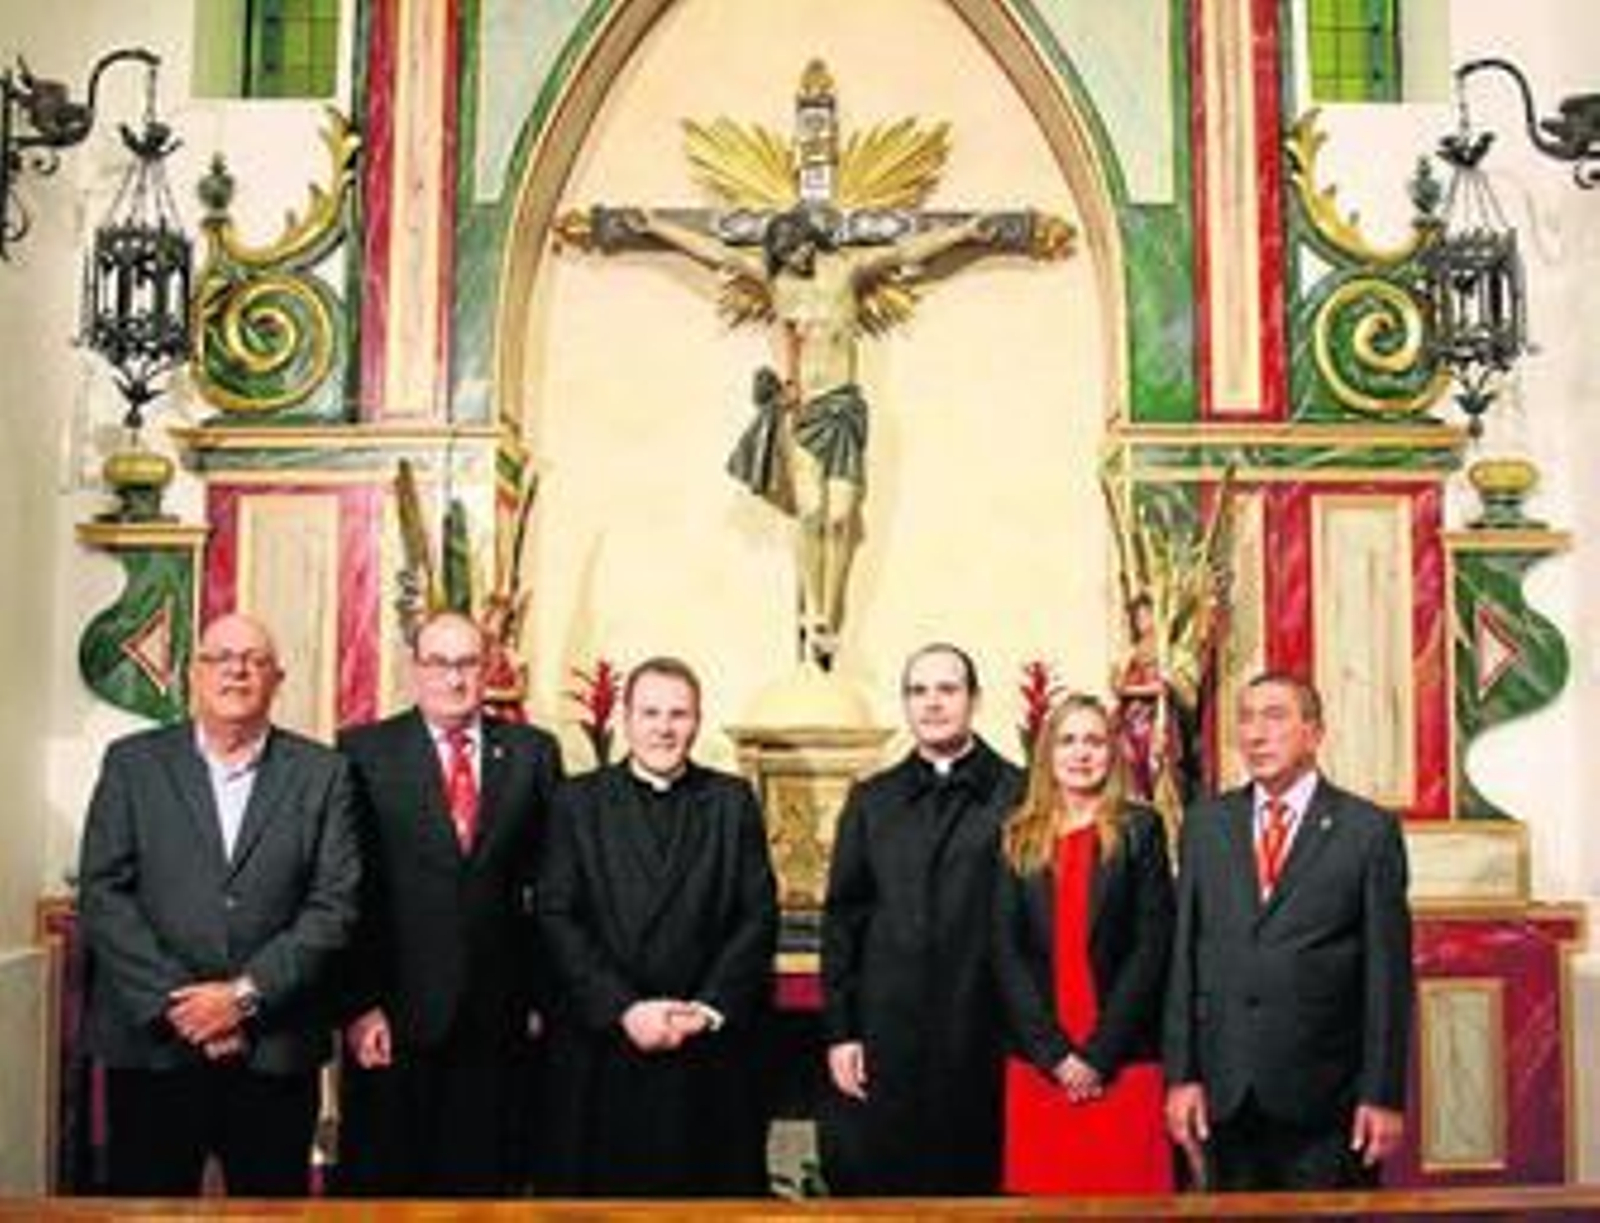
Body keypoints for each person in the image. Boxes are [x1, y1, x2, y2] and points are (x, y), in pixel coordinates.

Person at [632, 207, 999, 669]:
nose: (795, 258)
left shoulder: (846, 271)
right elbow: (717, 253)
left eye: (800, 247)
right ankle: (817, 616)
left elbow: (906, 250)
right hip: (803, 410)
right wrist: (657, 228)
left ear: (813, 239)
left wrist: (965, 232)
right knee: (810, 511)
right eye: (785, 253)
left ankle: (826, 608)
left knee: (841, 516)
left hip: (843, 408)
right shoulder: (777, 283)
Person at [77, 613, 360, 1197]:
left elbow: (334, 906)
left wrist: (241, 998)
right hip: (154, 1050)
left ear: (277, 680)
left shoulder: (324, 774)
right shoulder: (132, 764)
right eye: (221, 657)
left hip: (274, 1049)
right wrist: (185, 1009)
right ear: (193, 675)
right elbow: (103, 892)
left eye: (255, 660)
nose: (237, 669)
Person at [335, 610, 564, 1196]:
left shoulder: (534, 753)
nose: (454, 677)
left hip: (499, 1021)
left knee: (486, 1190)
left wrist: (543, 998)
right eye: (439, 662)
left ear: (487, 669)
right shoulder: (363, 752)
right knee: (387, 1192)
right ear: (416, 669)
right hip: (394, 1020)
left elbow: (553, 888)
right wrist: (360, 1005)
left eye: (467, 663)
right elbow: (344, 892)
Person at [536, 656, 779, 1195]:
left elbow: (757, 913)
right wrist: (624, 1008)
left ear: (697, 720)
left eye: (678, 714)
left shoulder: (731, 801)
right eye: (650, 713)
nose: (664, 727)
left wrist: (708, 1009)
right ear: (625, 718)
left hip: (703, 1051)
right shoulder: (577, 802)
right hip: (606, 1047)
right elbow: (556, 915)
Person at [1163, 672, 1413, 1190]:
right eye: (1247, 718)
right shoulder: (1206, 826)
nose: (1255, 734)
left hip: (1327, 1099)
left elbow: (1387, 977)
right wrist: (1181, 1076)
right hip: (1225, 1096)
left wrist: (1383, 1095)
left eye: (1275, 717)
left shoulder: (1367, 831)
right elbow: (1183, 958)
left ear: (1314, 733)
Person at [819, 642, 1023, 1195]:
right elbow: (843, 921)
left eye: (947, 689)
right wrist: (842, 1033)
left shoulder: (1020, 794)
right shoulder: (871, 799)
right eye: (918, 691)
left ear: (974, 700)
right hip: (890, 1036)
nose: (932, 704)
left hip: (984, 1034)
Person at [992, 693, 1174, 1194]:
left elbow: (1151, 946)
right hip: (1039, 1064)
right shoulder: (1017, 836)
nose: (1081, 753)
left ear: (1113, 752)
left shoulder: (1141, 829)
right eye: (1068, 741)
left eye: (1094, 740)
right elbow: (1006, 953)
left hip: (1122, 1060)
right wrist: (1055, 1055)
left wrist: (1098, 1055)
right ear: (1048, 753)